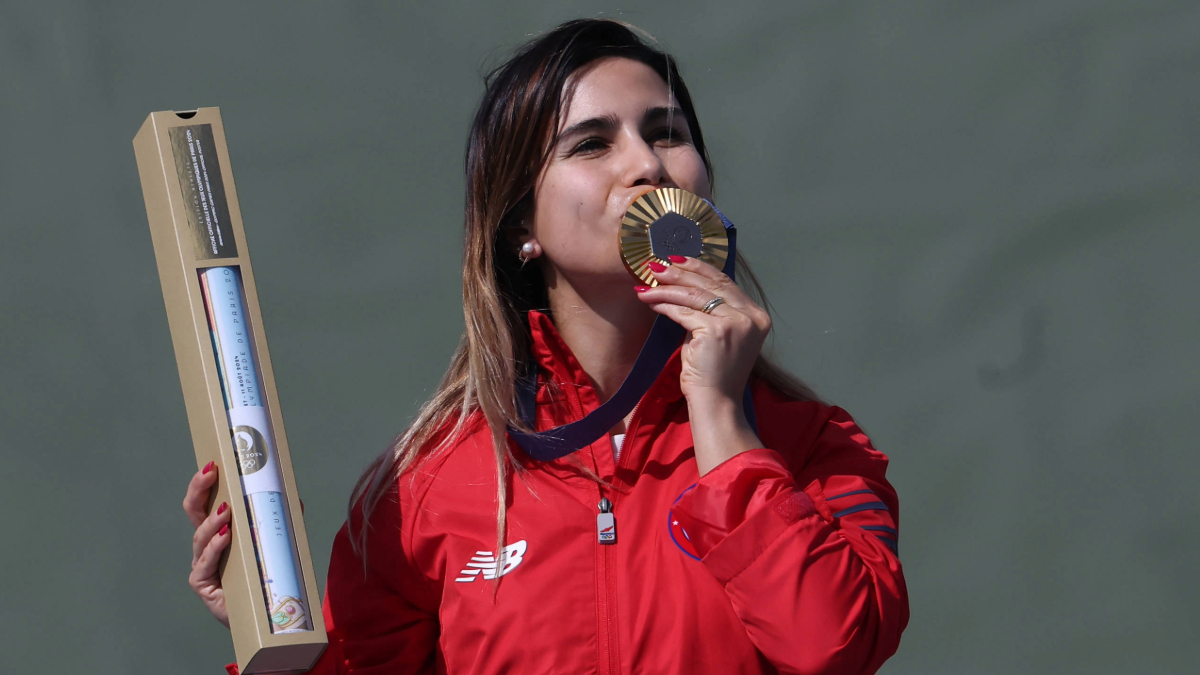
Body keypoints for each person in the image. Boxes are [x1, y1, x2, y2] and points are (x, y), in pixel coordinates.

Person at [183, 18, 908, 675]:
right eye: (592, 143)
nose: (648, 166)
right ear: (521, 226)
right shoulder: (422, 490)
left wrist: (720, 414)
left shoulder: (810, 446)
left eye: (666, 133)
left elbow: (832, 646)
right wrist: (261, 623)